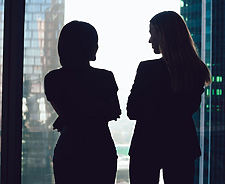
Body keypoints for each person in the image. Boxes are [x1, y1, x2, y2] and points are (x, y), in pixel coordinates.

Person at [127, 11, 211, 184]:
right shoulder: (196, 71)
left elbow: (132, 111)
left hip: (146, 145)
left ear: (163, 35)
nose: (150, 40)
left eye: (152, 33)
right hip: (181, 146)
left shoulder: (147, 69)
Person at [44, 21, 121, 184]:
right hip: (100, 147)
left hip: (70, 146)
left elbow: (68, 113)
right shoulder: (105, 77)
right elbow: (114, 111)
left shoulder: (53, 79)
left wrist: (69, 117)